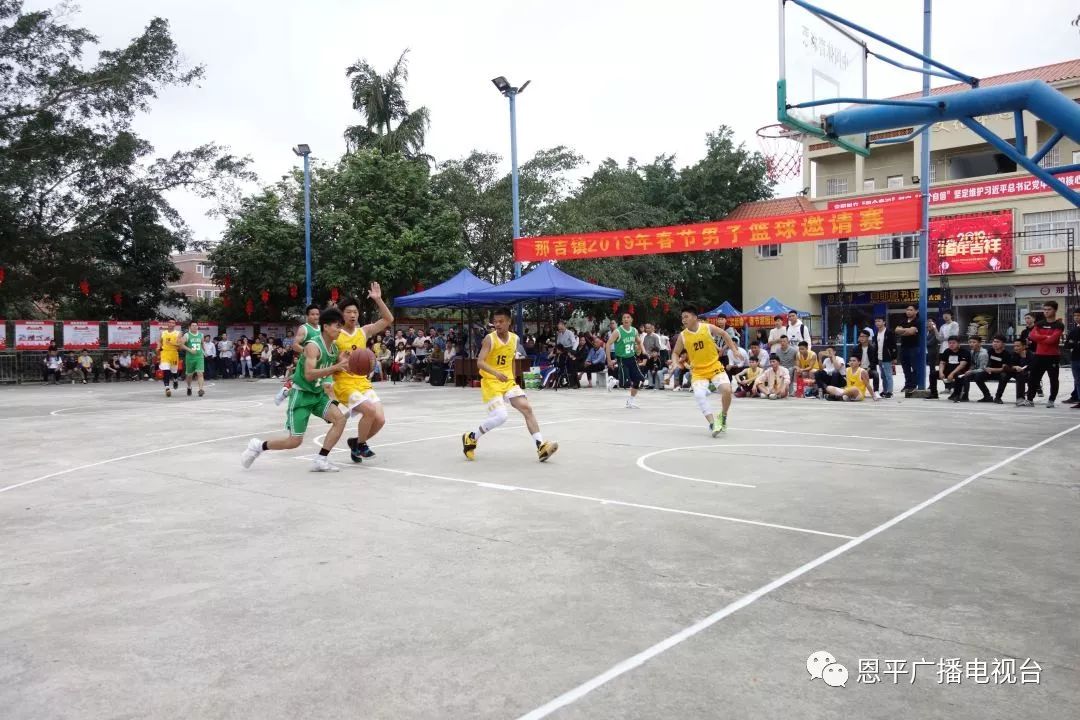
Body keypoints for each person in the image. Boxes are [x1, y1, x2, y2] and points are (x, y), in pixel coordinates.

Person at [241, 307, 351, 473]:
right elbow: (309, 374)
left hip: (318, 394)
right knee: (294, 442)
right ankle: (258, 446)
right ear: (326, 326)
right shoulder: (313, 346)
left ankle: (321, 459)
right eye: (337, 326)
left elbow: (331, 368)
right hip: (301, 395)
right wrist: (336, 366)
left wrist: (346, 364)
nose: (340, 330)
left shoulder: (334, 348)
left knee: (340, 420)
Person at [461, 307, 558, 462]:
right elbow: (480, 362)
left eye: (501, 321)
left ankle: (541, 447)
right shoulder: (489, 339)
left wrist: (513, 378)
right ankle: (471, 437)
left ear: (509, 322)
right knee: (501, 416)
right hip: (491, 382)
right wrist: (496, 373)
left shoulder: (515, 339)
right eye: (495, 322)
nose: (497, 324)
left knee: (527, 408)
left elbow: (511, 359)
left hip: (508, 382)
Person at [331, 286, 395, 462]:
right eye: (348, 312)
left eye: (355, 312)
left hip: (362, 382)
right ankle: (362, 445)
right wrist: (338, 363)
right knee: (369, 410)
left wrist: (378, 299)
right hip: (344, 384)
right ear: (341, 314)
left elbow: (388, 319)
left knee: (380, 419)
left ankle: (356, 443)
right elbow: (327, 362)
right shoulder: (335, 336)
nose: (353, 315)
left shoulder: (363, 331)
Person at [669, 306, 738, 437]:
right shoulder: (683, 336)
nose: (683, 320)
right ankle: (713, 424)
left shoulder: (707, 327)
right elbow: (675, 352)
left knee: (727, 390)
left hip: (714, 366)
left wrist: (734, 350)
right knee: (699, 395)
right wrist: (675, 362)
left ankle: (723, 416)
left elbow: (724, 334)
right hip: (698, 371)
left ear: (695, 317)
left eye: (686, 317)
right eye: (682, 318)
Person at [1025, 300, 1065, 408]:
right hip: (1039, 355)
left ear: (1055, 310)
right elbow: (1032, 336)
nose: (1046, 311)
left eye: (1049, 309)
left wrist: (1040, 338)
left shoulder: (1059, 325)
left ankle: (1051, 400)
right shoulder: (1039, 324)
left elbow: (1052, 340)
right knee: (1033, 378)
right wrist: (1046, 337)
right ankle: (1030, 399)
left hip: (1053, 356)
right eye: (1045, 309)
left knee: (1053, 379)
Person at [607, 313, 646, 409]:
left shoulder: (634, 330)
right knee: (625, 384)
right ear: (622, 320)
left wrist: (643, 351)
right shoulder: (618, 331)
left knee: (639, 380)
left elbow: (639, 342)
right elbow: (608, 344)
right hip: (622, 359)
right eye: (624, 317)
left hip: (632, 358)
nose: (626, 319)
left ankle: (630, 402)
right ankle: (613, 381)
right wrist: (609, 360)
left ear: (631, 320)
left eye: (628, 317)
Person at [895, 304, 921, 397]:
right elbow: (896, 330)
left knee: (915, 367)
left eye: (911, 310)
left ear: (916, 311)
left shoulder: (917, 321)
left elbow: (911, 332)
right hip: (903, 347)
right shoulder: (903, 320)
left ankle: (913, 385)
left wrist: (903, 330)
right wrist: (907, 330)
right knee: (905, 368)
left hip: (914, 347)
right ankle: (907, 384)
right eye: (907, 310)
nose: (908, 311)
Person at [937, 336, 971, 403]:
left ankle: (957, 395)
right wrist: (941, 372)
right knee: (933, 374)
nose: (951, 345)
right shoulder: (947, 351)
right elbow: (942, 363)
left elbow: (962, 365)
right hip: (949, 370)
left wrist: (952, 374)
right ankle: (934, 393)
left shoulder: (965, 352)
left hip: (961, 371)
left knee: (958, 376)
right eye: (949, 343)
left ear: (958, 343)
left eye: (953, 343)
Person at [983, 335, 1013, 405]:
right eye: (994, 341)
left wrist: (991, 369)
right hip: (990, 372)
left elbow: (1004, 369)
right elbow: (985, 363)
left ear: (1003, 344)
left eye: (997, 342)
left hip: (1001, 373)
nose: (995, 343)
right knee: (978, 376)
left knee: (1004, 376)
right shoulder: (990, 351)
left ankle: (998, 397)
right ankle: (987, 396)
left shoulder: (1007, 354)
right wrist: (986, 368)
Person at [873, 316, 897, 398]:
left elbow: (893, 345)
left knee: (888, 375)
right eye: (876, 321)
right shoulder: (876, 333)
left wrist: (894, 357)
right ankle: (885, 390)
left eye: (879, 321)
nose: (877, 323)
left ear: (884, 322)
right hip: (880, 357)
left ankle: (890, 392)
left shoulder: (889, 332)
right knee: (883, 376)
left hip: (887, 357)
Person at [181, 321, 207, 397]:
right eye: (193, 325)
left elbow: (202, 343)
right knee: (189, 375)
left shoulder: (201, 335)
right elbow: (181, 345)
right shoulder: (187, 335)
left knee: (200, 373)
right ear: (190, 327)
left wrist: (204, 351)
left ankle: (200, 389)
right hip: (190, 358)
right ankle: (189, 387)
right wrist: (190, 350)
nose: (195, 327)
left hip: (199, 357)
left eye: (196, 325)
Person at [159, 319, 182, 397]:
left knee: (174, 371)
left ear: (175, 325)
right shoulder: (163, 333)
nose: (171, 324)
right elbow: (159, 341)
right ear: (167, 324)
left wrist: (171, 343)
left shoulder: (178, 333)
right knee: (166, 370)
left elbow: (179, 345)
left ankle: (175, 380)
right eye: (170, 322)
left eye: (173, 323)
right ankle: (167, 388)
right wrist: (158, 347)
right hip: (165, 353)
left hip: (173, 354)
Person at [1008, 339, 1033, 407]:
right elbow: (1009, 364)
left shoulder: (1030, 354)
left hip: (1027, 373)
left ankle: (1022, 398)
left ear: (1024, 346)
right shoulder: (1013, 354)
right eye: (1014, 346)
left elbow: (1031, 366)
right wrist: (1015, 367)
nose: (1015, 348)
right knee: (1004, 375)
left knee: (1022, 375)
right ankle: (998, 397)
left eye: (1018, 346)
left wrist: (1024, 358)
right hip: (1015, 372)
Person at [1065, 308, 1080, 406]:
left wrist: (1074, 343)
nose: (1076, 317)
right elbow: (1067, 345)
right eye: (1075, 316)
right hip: (1075, 358)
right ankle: (1077, 398)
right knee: (1077, 380)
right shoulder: (1074, 330)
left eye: (1078, 315)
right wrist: (1076, 343)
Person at [925, 317, 942, 399]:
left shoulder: (935, 332)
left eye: (930, 323)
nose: (928, 324)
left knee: (932, 369)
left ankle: (932, 385)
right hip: (925, 353)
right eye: (927, 322)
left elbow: (930, 343)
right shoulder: (926, 332)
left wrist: (923, 342)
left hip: (932, 353)